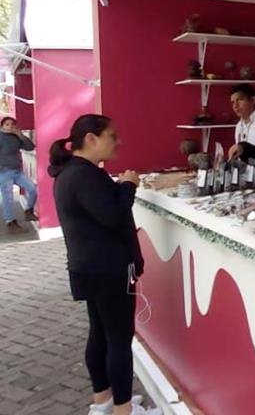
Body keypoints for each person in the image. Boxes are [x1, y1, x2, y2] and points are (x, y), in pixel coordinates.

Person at [49, 115, 156, 415]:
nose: (118, 141)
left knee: (100, 334)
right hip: (107, 269)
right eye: (112, 135)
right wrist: (128, 186)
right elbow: (111, 216)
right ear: (91, 139)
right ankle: (123, 409)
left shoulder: (72, 172)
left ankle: (104, 401)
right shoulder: (83, 175)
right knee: (119, 340)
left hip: (90, 267)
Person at [0, 116, 37, 234]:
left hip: (17, 171)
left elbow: (30, 147)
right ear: (2, 126)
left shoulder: (16, 136)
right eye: (7, 124)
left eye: (12, 124)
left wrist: (20, 135)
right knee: (8, 197)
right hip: (5, 171)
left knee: (32, 189)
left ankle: (28, 211)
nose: (10, 126)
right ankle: (10, 222)